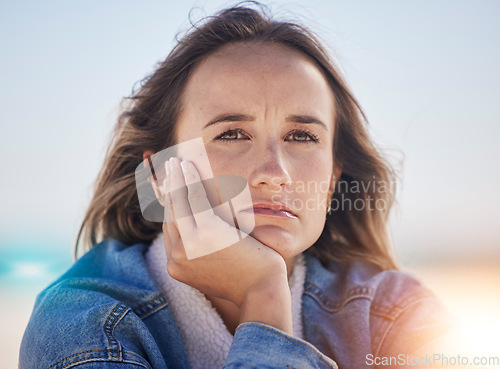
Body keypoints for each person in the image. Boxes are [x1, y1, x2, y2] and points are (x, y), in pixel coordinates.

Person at [20, 3, 456, 368]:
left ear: (333, 178)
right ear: (161, 174)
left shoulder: (397, 313)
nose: (275, 171)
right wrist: (264, 298)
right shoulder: (82, 323)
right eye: (231, 134)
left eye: (302, 136)